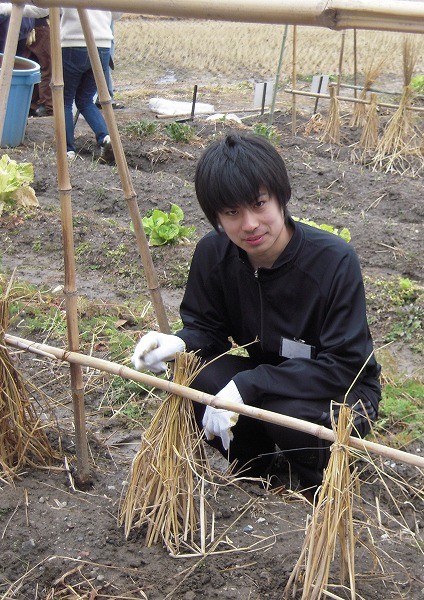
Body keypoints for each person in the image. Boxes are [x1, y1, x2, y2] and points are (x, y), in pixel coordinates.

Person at [131, 133, 382, 492]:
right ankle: (262, 471)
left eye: (259, 204)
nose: (249, 224)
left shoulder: (333, 261)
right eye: (232, 212)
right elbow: (207, 330)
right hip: (274, 379)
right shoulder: (213, 255)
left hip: (341, 390)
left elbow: (344, 365)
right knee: (198, 382)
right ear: (216, 216)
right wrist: (176, 343)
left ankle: (319, 481)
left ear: (281, 196)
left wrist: (249, 383)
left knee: (289, 412)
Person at [60, 8, 121, 161]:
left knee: (64, 101)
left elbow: (40, 9)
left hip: (73, 43)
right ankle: (105, 138)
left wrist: (7, 8)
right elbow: (116, 13)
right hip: (102, 45)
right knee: (85, 100)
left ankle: (68, 151)